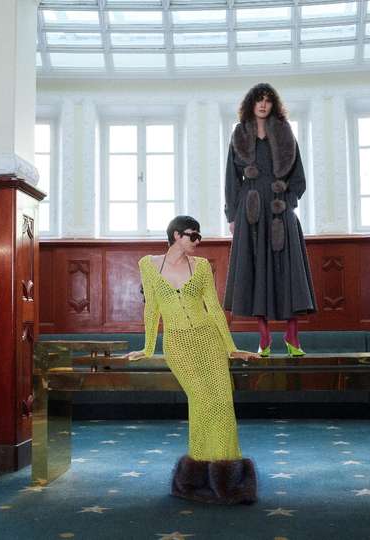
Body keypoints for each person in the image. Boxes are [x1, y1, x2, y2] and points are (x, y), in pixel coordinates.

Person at [127, 215, 257, 505]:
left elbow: (213, 308)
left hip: (209, 339)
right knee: (203, 400)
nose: (197, 241)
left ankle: (224, 470)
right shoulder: (148, 265)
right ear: (176, 235)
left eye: (200, 237)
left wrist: (231, 348)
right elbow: (152, 309)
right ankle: (203, 469)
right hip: (178, 344)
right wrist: (147, 348)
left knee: (222, 401)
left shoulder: (201, 267)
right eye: (192, 235)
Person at [224, 83, 317, 357]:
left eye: (267, 100)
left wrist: (288, 200)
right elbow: (231, 179)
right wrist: (232, 215)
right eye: (259, 100)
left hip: (280, 207)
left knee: (289, 269)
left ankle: (292, 336)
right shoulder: (239, 134)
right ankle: (263, 338)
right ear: (251, 104)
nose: (263, 104)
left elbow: (298, 177)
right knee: (255, 269)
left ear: (273, 104)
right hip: (250, 209)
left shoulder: (286, 133)